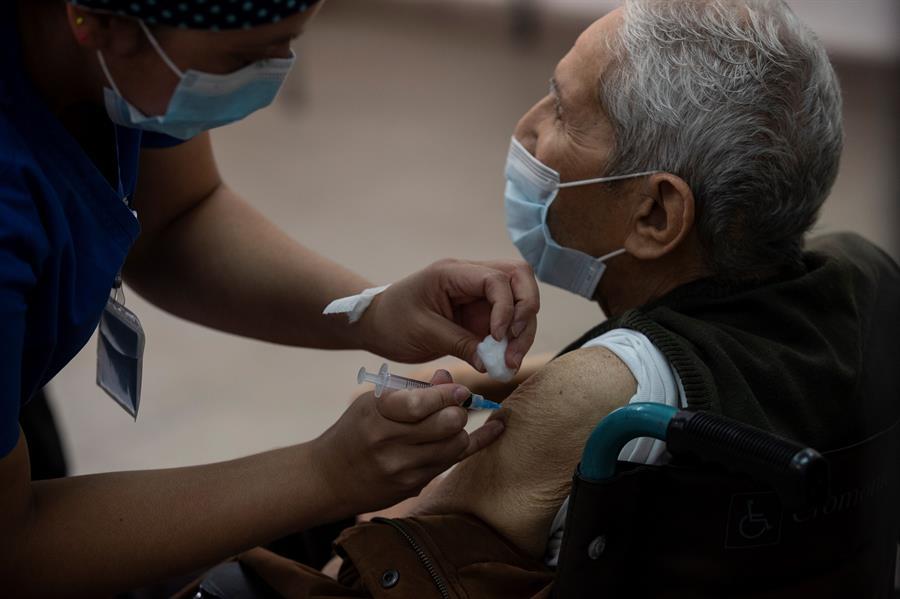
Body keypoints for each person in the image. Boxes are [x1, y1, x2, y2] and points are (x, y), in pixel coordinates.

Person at [196, 0, 900, 596]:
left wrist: (343, 485)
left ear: (657, 214)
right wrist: (504, 381)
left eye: (562, 111)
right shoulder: (867, 277)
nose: (527, 127)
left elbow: (368, 572)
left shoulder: (591, 397)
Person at [1, 0, 543, 595]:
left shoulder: (123, 68)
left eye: (290, 42)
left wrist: (371, 309)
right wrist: (326, 473)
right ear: (94, 20)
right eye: (245, 56)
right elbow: (14, 546)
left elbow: (178, 218)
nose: (276, 70)